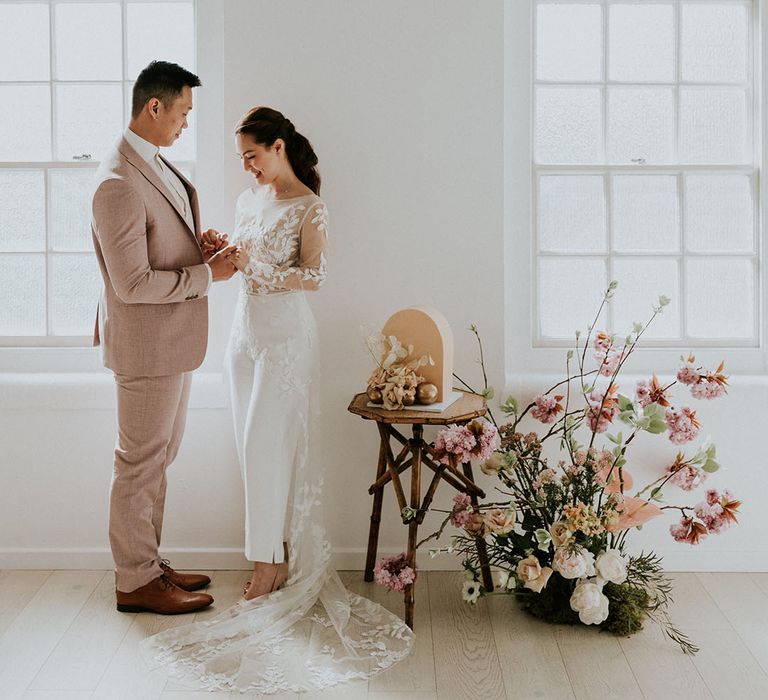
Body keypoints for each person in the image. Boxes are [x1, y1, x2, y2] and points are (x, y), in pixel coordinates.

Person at [142, 107, 413, 693]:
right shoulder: (247, 201)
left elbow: (314, 276)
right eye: (241, 157)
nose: (245, 167)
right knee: (249, 449)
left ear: (280, 147)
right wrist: (222, 248)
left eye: (252, 155)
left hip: (288, 339)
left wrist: (253, 261)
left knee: (269, 448)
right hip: (244, 337)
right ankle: (271, 553)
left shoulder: (310, 205)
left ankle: (269, 567)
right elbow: (238, 261)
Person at [91, 60, 236, 615]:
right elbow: (131, 284)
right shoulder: (117, 182)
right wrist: (209, 277)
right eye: (182, 113)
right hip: (147, 345)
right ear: (154, 107)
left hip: (169, 340)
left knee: (159, 455)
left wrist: (201, 248)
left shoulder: (151, 165)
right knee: (140, 462)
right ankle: (135, 581)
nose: (184, 124)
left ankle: (148, 565)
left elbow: (155, 246)